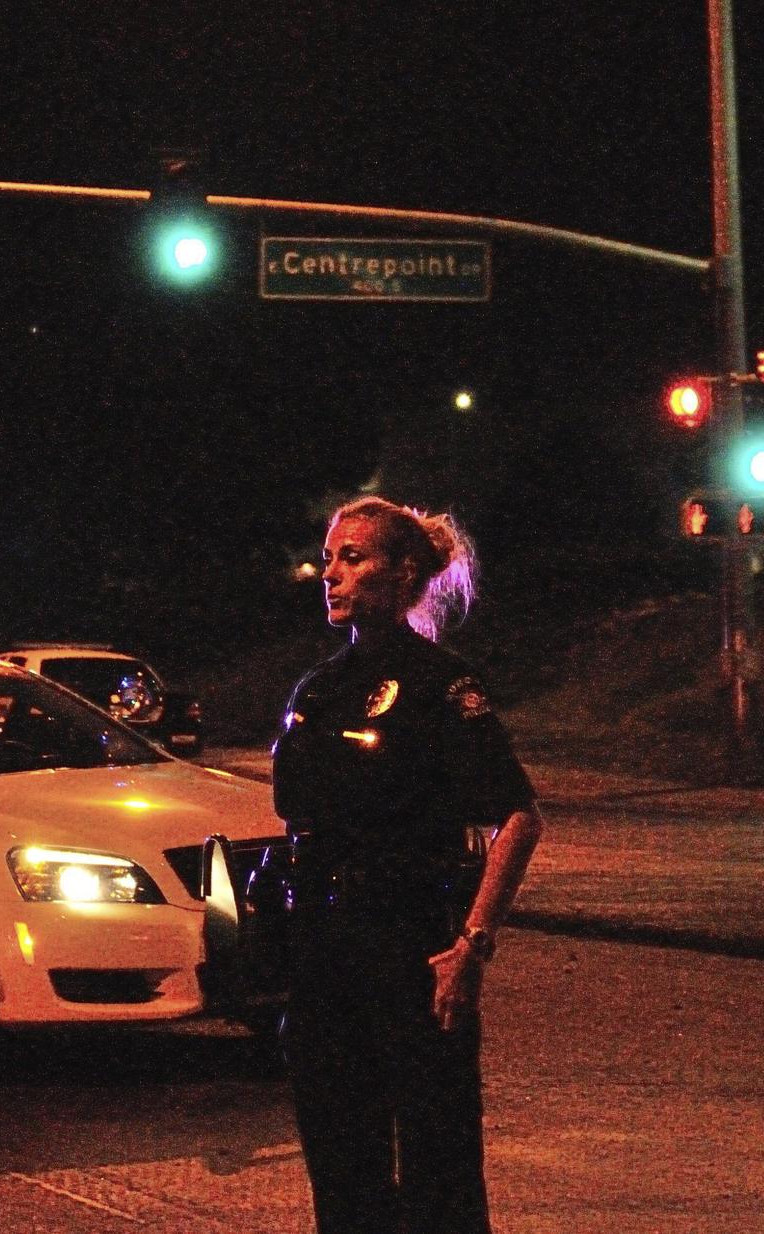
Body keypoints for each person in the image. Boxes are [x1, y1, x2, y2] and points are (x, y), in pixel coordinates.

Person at [272, 496, 544, 1234]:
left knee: (439, 1172)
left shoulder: (441, 685)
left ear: (405, 572)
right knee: (342, 1170)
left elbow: (518, 817)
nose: (331, 574)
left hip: (411, 951)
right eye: (329, 558)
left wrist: (473, 946)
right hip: (326, 957)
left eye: (353, 559)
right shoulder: (317, 691)